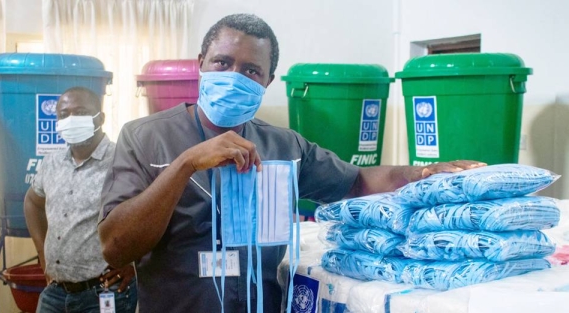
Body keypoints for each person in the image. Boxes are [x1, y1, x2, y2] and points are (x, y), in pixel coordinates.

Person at [97, 13, 485, 313]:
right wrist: (185, 165)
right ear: (201, 63)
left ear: (267, 81)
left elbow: (357, 182)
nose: (235, 76)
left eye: (251, 71)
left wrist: (422, 173)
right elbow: (115, 247)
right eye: (222, 62)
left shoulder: (284, 146)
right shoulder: (145, 137)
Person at [24, 87, 137, 313]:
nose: (71, 120)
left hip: (104, 291)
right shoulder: (52, 163)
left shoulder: (122, 160)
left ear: (100, 118)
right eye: (64, 115)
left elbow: (152, 214)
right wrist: (42, 253)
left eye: (81, 112)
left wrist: (136, 263)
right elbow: (32, 203)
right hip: (55, 292)